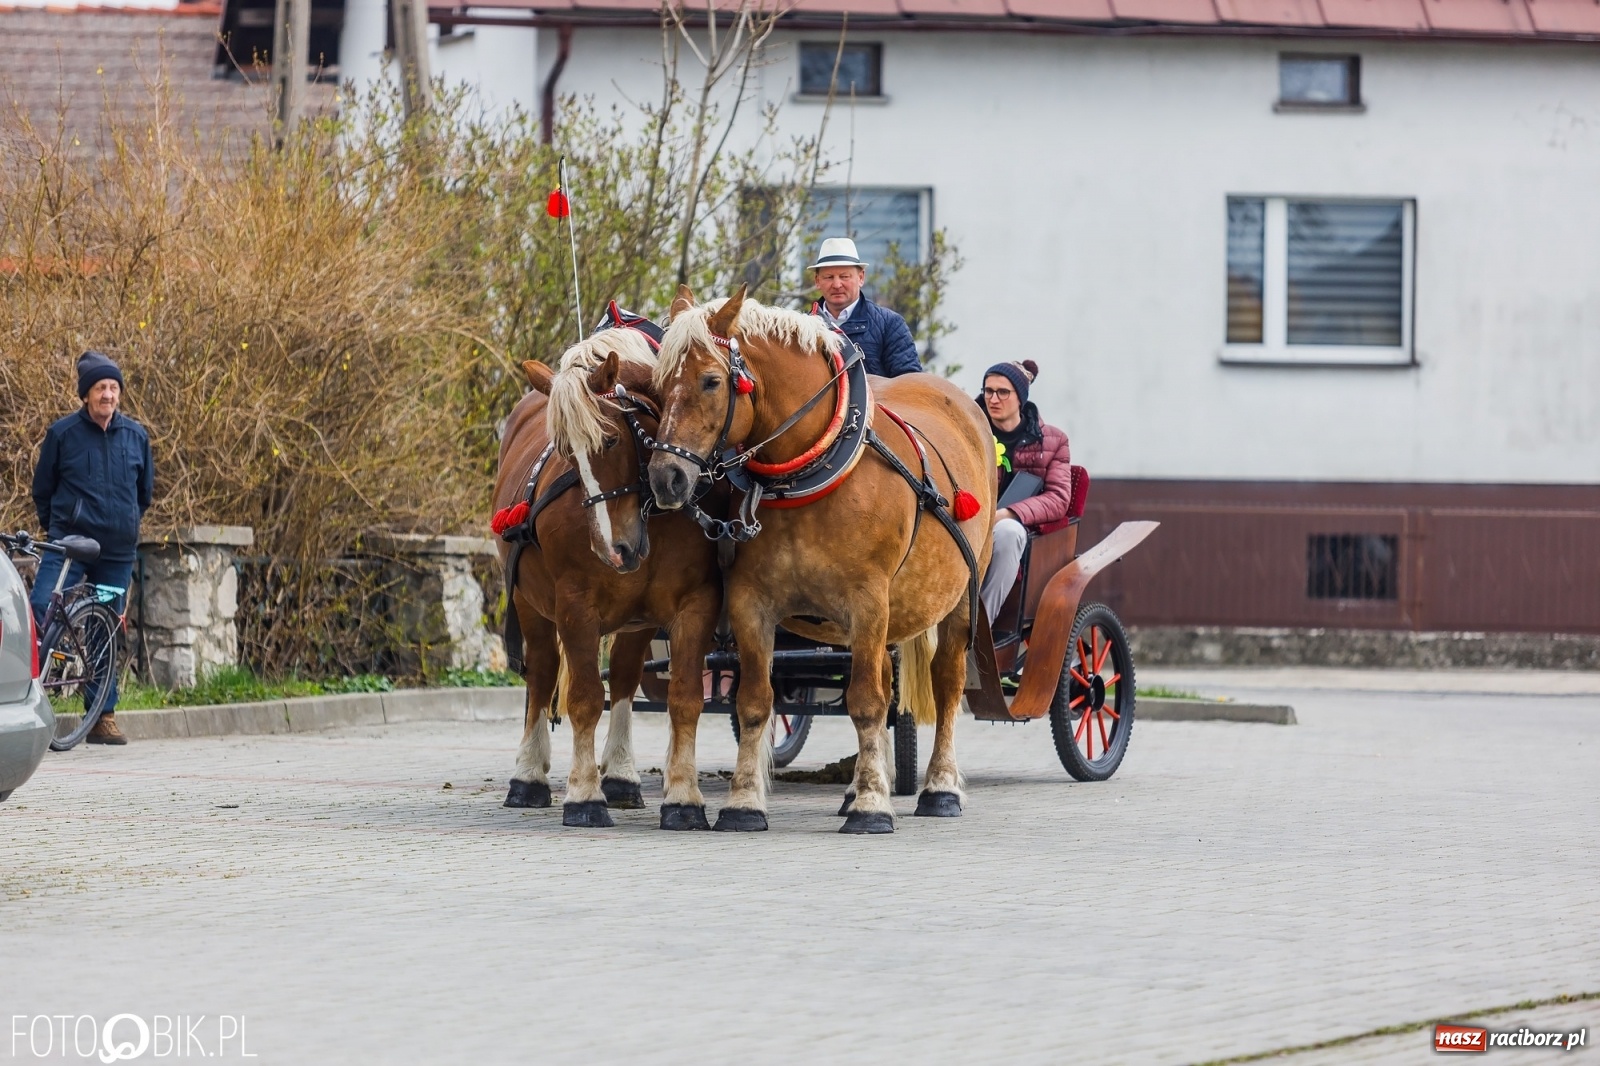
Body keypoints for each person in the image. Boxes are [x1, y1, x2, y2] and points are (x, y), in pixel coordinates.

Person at [31, 352, 154, 745]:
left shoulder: (136, 436)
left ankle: (102, 715)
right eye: (101, 388)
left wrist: (126, 523)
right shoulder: (63, 434)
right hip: (69, 545)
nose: (108, 395)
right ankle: (24, 701)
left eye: (114, 388)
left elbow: (144, 493)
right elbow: (43, 489)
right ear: (86, 395)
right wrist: (60, 524)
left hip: (116, 552)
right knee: (40, 607)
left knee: (106, 627)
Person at [978, 359, 1072, 625]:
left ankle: (979, 627)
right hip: (971, 521)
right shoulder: (970, 433)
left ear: (1020, 397)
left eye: (1002, 392)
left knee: (1009, 532)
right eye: (988, 391)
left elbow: (1058, 498)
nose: (993, 399)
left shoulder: (1053, 440)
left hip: (1019, 532)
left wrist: (1009, 513)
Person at [807, 237, 922, 378]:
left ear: (861, 278)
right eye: (829, 277)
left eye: (844, 276)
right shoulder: (802, 331)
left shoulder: (890, 324)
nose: (837, 284)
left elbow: (909, 384)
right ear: (817, 281)